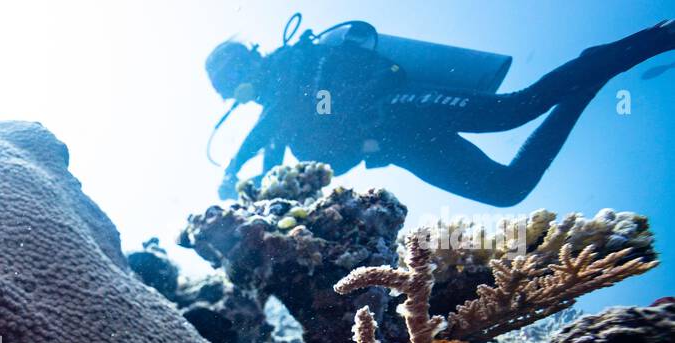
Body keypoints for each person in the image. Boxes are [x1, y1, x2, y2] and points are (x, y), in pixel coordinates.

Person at [208, 19, 675, 206]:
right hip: (400, 145)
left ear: (247, 67)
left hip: (400, 110)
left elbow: (269, 128)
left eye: (238, 85)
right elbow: (275, 152)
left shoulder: (292, 65)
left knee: (516, 109)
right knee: (506, 189)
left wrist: (232, 167)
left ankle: (649, 41)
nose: (244, 96)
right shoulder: (278, 106)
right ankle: (590, 79)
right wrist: (259, 200)